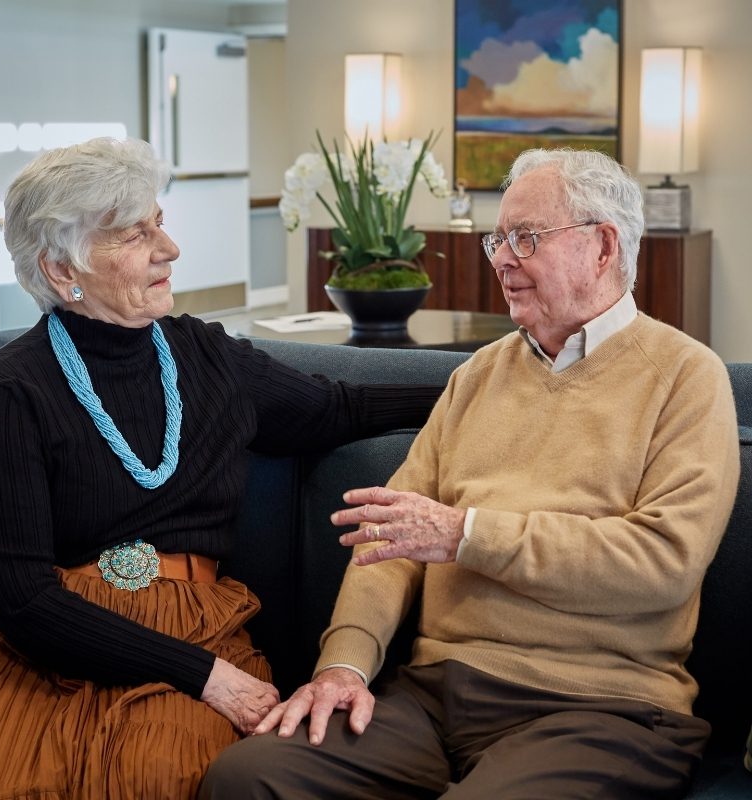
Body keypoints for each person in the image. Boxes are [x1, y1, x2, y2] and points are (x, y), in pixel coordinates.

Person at [201, 148, 741, 799]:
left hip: (602, 711)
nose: (501, 259)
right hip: (432, 698)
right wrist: (343, 666)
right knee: (248, 778)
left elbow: (664, 563)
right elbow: (388, 541)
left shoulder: (686, 377)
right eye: (498, 239)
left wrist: (467, 534)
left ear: (601, 247)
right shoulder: (477, 376)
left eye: (526, 238)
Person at [0, 137, 443, 799]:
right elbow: (22, 603)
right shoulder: (7, 393)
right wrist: (209, 676)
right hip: (34, 646)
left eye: (159, 223)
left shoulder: (206, 358)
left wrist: (488, 380)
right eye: (134, 234)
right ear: (60, 266)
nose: (169, 249)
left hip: (191, 622)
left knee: (167, 771)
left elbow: (338, 408)